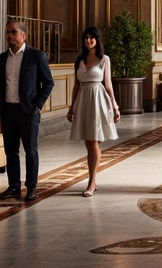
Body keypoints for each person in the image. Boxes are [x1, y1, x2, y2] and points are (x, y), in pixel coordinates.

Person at [0, 20, 55, 201]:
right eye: (7, 32)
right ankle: (13, 187)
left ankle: (32, 187)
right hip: (8, 111)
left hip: (28, 111)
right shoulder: (2, 58)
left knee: (31, 151)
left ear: (23, 35)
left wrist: (37, 105)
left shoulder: (36, 56)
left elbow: (49, 82)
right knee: (11, 152)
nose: (9, 36)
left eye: (13, 32)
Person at [67, 25, 120, 197]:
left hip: (98, 99)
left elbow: (109, 85)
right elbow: (76, 86)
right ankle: (92, 180)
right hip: (83, 100)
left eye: (92, 37)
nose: (88, 40)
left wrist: (115, 106)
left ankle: (92, 182)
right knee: (89, 144)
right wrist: (71, 107)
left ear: (97, 39)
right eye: (86, 38)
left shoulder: (104, 59)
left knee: (94, 141)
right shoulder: (79, 61)